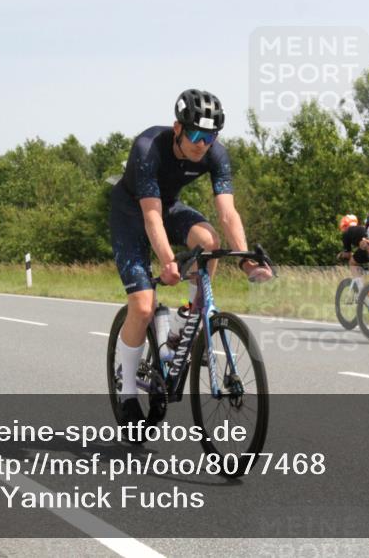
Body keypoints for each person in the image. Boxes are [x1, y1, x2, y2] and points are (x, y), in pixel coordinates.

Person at [110, 88, 272, 437]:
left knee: (209, 241)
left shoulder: (215, 154)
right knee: (142, 306)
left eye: (210, 136)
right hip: (131, 213)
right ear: (178, 128)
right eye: (195, 134)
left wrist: (245, 259)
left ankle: (190, 315)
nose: (202, 144)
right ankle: (125, 392)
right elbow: (150, 217)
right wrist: (168, 261)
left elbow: (227, 212)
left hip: (167, 207)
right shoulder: (148, 147)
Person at [337, 214, 369, 287]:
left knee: (352, 263)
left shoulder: (346, 232)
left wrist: (340, 255)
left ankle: (361, 289)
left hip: (367, 246)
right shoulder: (362, 228)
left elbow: (347, 254)